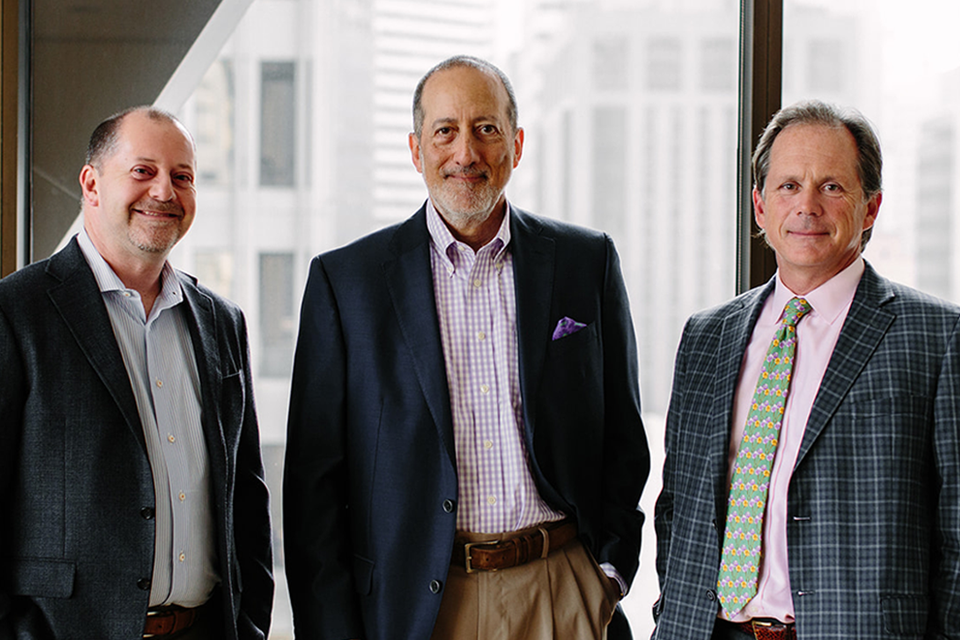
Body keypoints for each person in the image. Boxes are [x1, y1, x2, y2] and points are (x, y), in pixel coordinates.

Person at [284, 55, 649, 640]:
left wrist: (608, 571)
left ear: (516, 144)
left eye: (486, 129)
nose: (466, 152)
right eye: (444, 132)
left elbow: (623, 434)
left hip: (560, 590)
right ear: (416, 150)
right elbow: (314, 488)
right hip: (416, 608)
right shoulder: (346, 283)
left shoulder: (587, 262)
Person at [653, 99, 960, 640]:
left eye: (832, 187)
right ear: (760, 207)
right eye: (789, 186)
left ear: (871, 208)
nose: (807, 206)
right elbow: (676, 509)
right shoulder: (706, 335)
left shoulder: (938, 336)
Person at [0, 106, 274, 639]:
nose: (165, 191)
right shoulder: (16, 314)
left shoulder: (222, 322)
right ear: (92, 184)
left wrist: (249, 627)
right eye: (143, 171)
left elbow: (246, 498)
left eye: (182, 177)